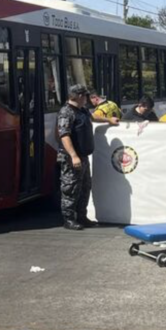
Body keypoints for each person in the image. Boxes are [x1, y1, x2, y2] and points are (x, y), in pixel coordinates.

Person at [56, 84, 96, 231]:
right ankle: (69, 219)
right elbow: (64, 135)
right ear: (79, 96)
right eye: (85, 96)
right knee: (70, 188)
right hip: (71, 157)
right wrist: (73, 156)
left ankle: (81, 216)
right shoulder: (66, 112)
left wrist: (109, 120)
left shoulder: (82, 110)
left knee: (85, 187)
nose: (87, 98)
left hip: (83, 156)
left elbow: (93, 117)